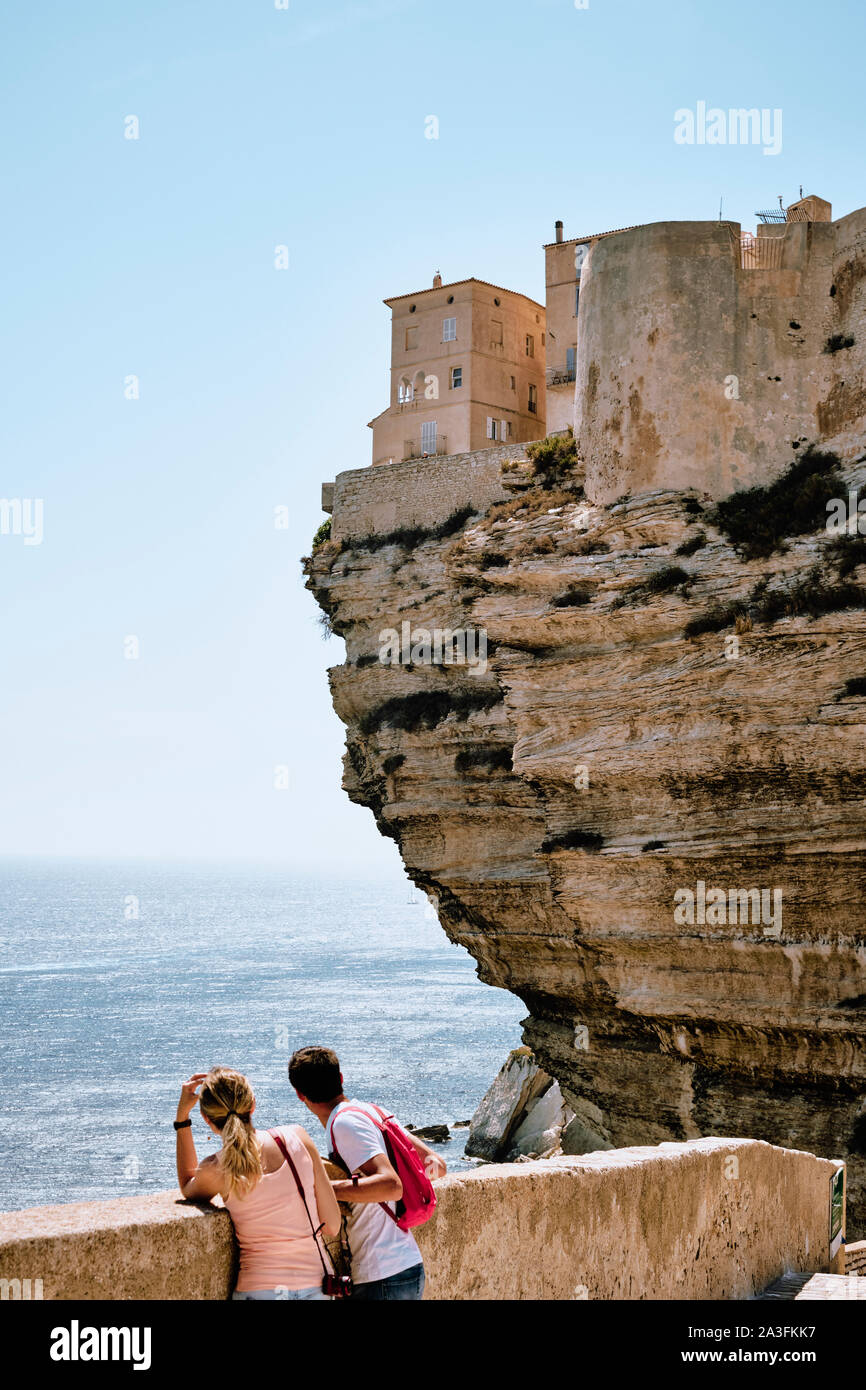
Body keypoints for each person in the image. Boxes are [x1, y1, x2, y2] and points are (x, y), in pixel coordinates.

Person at [288, 1045, 447, 1301]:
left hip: (380, 1275)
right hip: (406, 1266)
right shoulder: (374, 1112)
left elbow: (391, 1186)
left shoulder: (344, 1124)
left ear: (299, 1094)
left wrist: (320, 1190)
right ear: (340, 1079)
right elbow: (436, 1165)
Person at [175, 1065, 341, 1300]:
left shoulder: (217, 1167)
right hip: (316, 1290)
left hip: (259, 1291)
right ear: (252, 1104)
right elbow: (332, 1225)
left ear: (206, 1118)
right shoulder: (297, 1137)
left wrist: (182, 1118)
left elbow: (187, 1185)